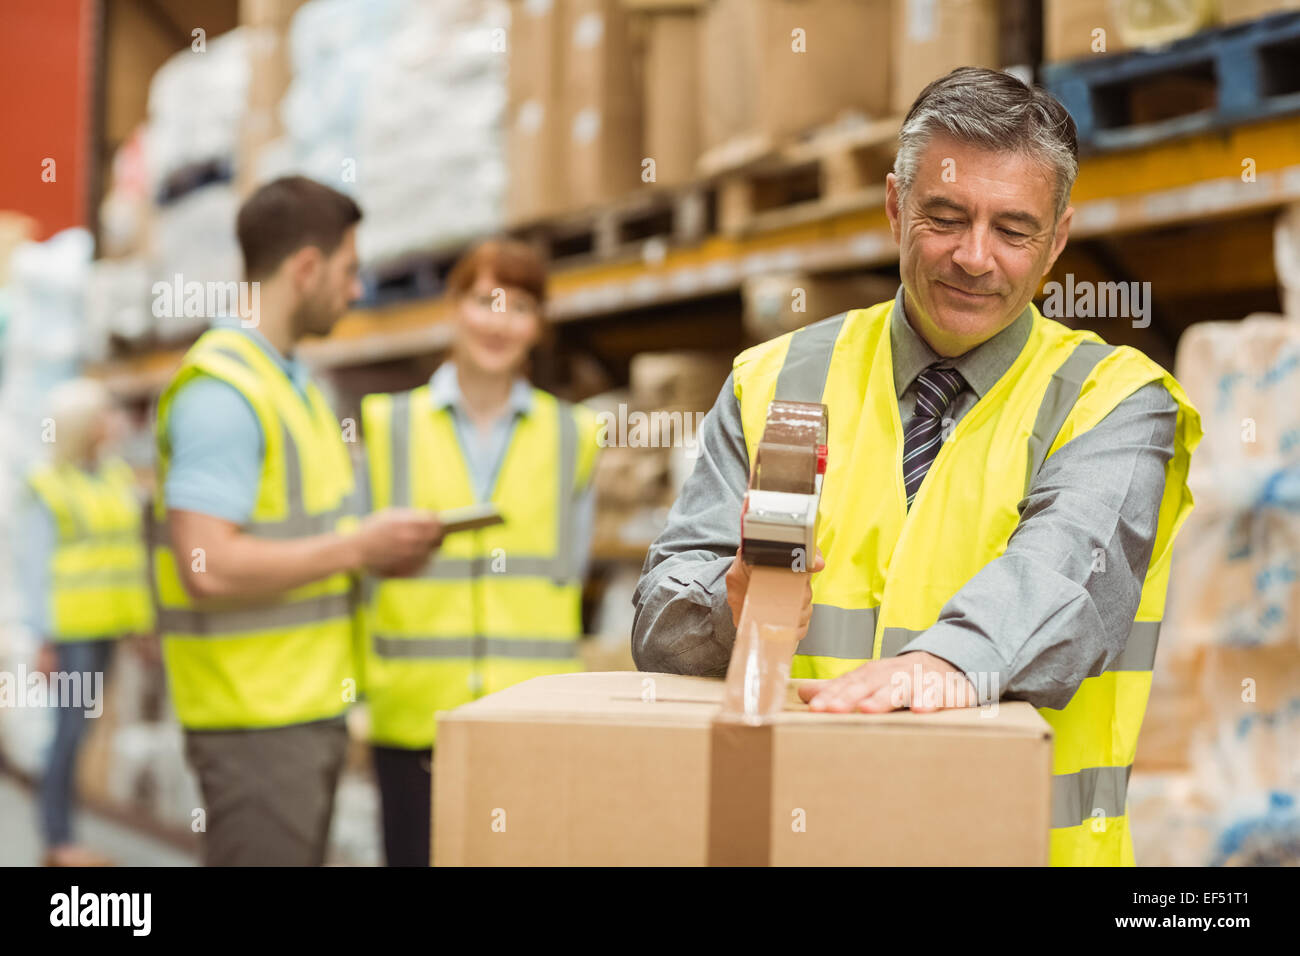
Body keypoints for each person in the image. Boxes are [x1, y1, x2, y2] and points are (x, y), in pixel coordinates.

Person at [631, 67, 1203, 867]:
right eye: (945, 217)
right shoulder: (775, 379)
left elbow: (1065, 580)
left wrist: (942, 665)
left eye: (1013, 230)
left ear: (1059, 240)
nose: (974, 257)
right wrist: (724, 615)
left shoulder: (1119, 403)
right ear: (896, 205)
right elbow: (661, 617)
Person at [151, 176, 443, 866]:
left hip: (299, 712)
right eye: (348, 271)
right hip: (254, 720)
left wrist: (372, 553)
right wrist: (356, 547)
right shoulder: (225, 392)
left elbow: (304, 534)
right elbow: (208, 565)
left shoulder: (295, 384)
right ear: (304, 269)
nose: (355, 290)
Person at [360, 239, 600, 866]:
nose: (498, 322)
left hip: (531, 720)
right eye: (483, 301)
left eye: (518, 306)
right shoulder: (388, 427)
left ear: (539, 325)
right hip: (415, 719)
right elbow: (357, 568)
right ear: (453, 307)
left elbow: (570, 571)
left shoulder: (574, 436)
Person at [19, 378, 153, 867]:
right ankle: (59, 841)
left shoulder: (115, 477)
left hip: (107, 628)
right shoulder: (48, 486)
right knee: (68, 734)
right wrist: (43, 639)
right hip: (71, 634)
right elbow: (34, 567)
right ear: (85, 427)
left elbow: (124, 556)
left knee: (82, 731)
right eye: (106, 414)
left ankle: (64, 836)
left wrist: (139, 625)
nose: (115, 422)